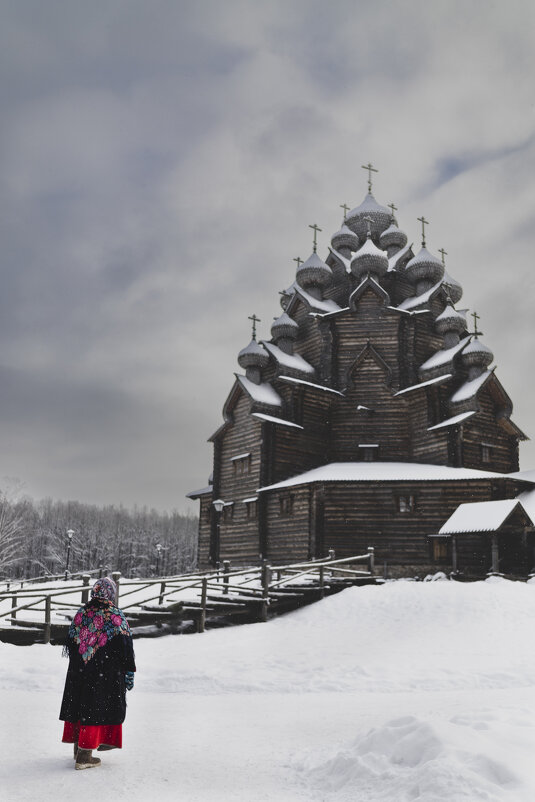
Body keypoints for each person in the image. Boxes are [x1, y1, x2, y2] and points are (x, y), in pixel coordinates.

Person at [59, 576, 136, 770]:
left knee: (80, 704)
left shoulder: (82, 612)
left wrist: (84, 659)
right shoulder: (114, 614)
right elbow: (126, 646)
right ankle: (84, 757)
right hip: (105, 672)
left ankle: (78, 750)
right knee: (96, 707)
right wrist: (128, 672)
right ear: (110, 594)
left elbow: (70, 641)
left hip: (80, 671)